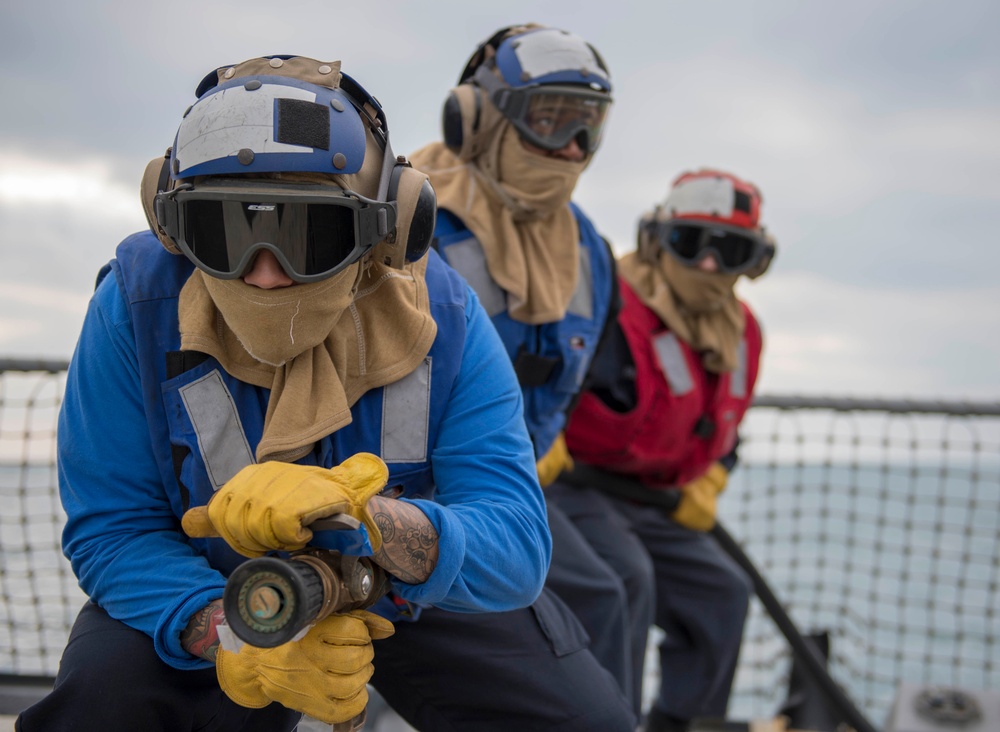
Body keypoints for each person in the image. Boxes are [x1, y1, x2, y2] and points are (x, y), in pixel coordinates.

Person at [16, 55, 631, 732]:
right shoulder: (136, 302)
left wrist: (376, 526)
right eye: (224, 231)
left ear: (385, 228)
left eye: (308, 232)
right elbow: (115, 528)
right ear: (174, 227)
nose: (267, 274)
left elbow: (515, 540)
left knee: (584, 720)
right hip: (213, 584)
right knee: (102, 709)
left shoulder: (445, 319)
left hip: (404, 596)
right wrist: (231, 635)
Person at [408, 24, 653, 720]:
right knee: (598, 594)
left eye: (588, 125)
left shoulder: (586, 248)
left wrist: (532, 455)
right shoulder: (403, 218)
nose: (573, 148)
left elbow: (571, 381)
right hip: (410, 483)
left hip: (512, 477)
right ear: (477, 121)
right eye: (551, 120)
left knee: (626, 579)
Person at [553, 168, 777, 731]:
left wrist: (712, 478)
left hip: (656, 501)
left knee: (723, 592)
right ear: (656, 239)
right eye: (690, 242)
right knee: (624, 579)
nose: (706, 265)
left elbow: (720, 428)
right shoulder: (607, 307)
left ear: (754, 263)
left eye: (728, 251)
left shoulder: (741, 336)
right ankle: (610, 722)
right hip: (571, 484)